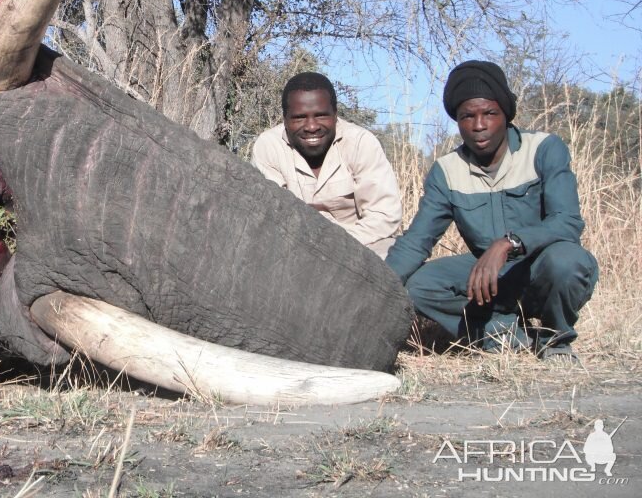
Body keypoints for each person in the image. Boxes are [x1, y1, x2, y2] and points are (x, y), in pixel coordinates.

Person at [385, 60, 599, 360]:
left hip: (540, 268)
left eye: (489, 114)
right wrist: (378, 284)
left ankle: (555, 340)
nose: (479, 126)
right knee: (419, 286)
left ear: (506, 114)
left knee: (567, 261)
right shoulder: (446, 171)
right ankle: (509, 337)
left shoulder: (544, 149)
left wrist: (509, 243)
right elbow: (417, 240)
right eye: (467, 116)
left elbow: (567, 223)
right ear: (457, 120)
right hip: (487, 279)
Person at [251, 72, 403, 258]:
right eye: (299, 118)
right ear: (284, 118)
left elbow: (384, 215)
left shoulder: (360, 143)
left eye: (321, 116)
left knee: (393, 256)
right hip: (296, 249)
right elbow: (272, 216)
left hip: (362, 244)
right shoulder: (268, 146)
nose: (312, 126)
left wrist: (337, 246)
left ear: (336, 115)